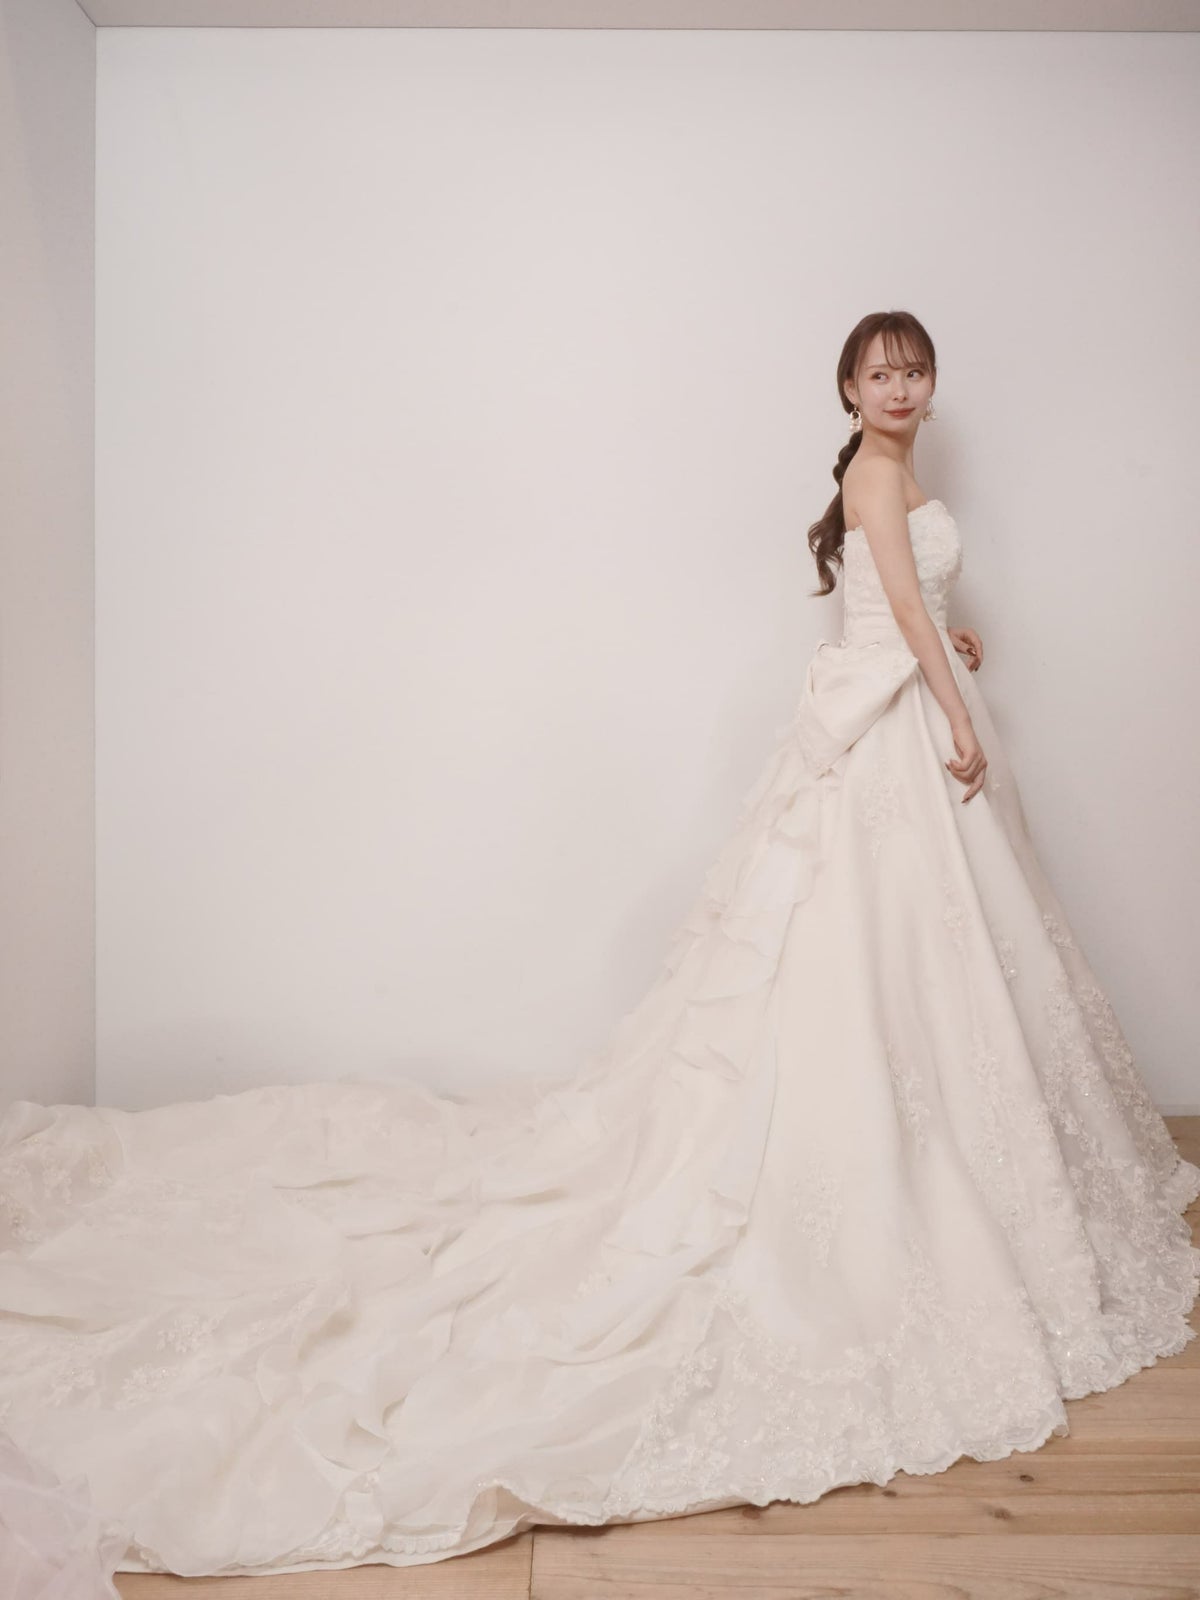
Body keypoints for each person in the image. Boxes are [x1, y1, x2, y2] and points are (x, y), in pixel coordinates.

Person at [1, 310, 1196, 1589]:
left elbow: (902, 606)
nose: (899, 387)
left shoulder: (894, 474)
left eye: (914, 369)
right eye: (879, 371)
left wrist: (944, 645)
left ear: (927, 384)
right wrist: (956, 708)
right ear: (847, 390)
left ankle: (944, 1150)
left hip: (891, 710)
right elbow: (893, 600)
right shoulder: (871, 472)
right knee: (860, 966)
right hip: (887, 739)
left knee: (922, 968)